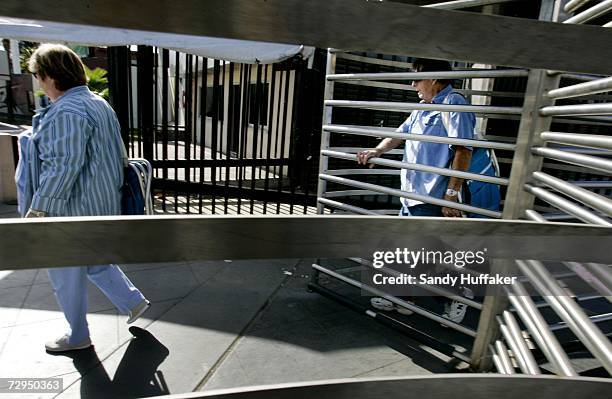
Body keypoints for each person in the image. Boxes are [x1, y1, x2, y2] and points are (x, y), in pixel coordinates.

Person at [21, 43, 150, 352]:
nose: (39, 83)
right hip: (100, 203)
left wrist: (38, 210)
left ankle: (77, 335)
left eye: (38, 76)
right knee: (92, 260)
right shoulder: (98, 103)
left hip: (70, 209)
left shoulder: (67, 110)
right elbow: (118, 154)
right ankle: (132, 302)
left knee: (64, 271)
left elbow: (63, 165)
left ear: (51, 76)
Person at [357, 58, 474, 323]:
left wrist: (453, 195)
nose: (413, 85)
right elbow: (400, 134)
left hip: (435, 196)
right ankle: (405, 297)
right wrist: (378, 150)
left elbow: (463, 149)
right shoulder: (422, 107)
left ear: (433, 78)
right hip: (411, 194)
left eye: (417, 78)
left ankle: (457, 296)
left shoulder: (454, 104)